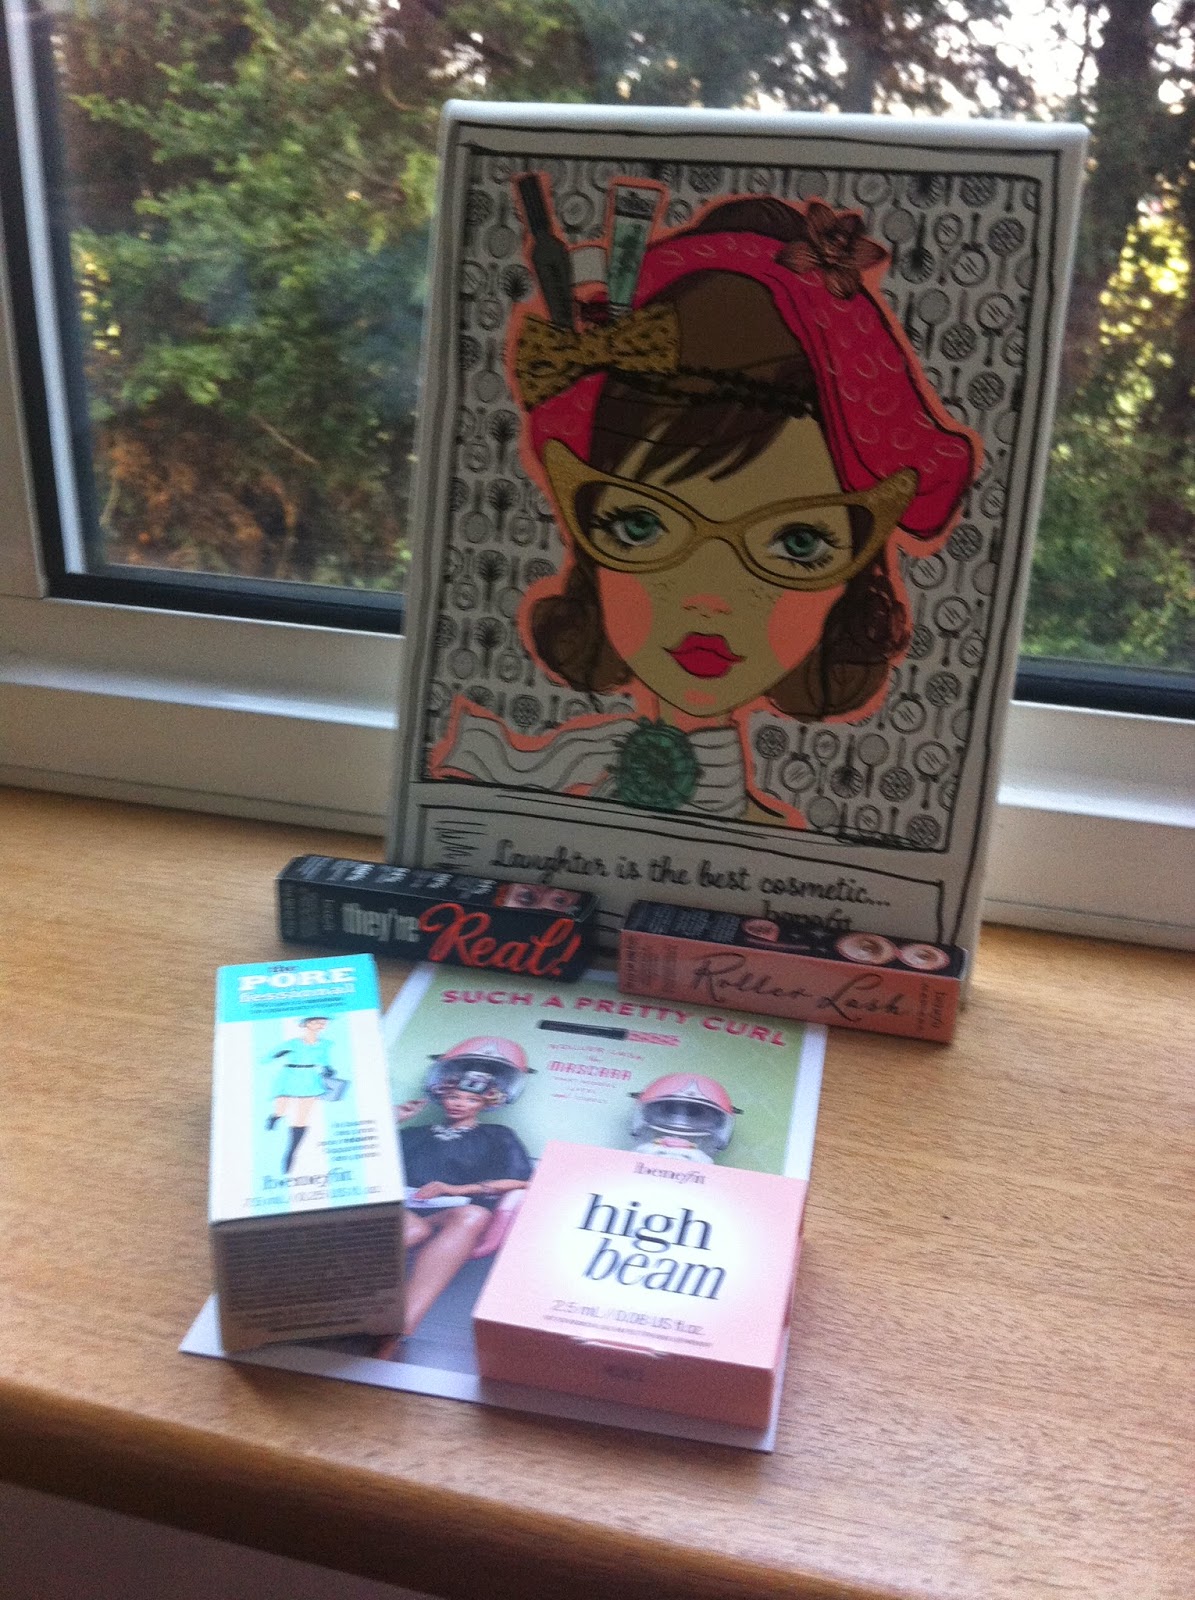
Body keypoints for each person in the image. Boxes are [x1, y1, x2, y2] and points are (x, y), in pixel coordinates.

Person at [432, 189, 980, 825]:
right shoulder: (529, 789)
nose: (710, 598)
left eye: (797, 542)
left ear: (855, 571)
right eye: (641, 525)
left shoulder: (821, 847)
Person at [394, 1037, 534, 1339]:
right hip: (400, 1207)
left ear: (486, 1103)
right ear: (442, 1097)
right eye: (454, 1097)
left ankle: (403, 1325)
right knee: (415, 1229)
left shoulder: (498, 1135)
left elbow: (522, 1180)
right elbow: (366, 1163)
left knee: (474, 1216)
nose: (459, 1104)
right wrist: (394, 1118)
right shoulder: (414, 1133)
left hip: (450, 1209)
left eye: (471, 1100)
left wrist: (453, 1190)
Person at [265, 1015, 334, 1175]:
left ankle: (291, 1152)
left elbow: (325, 1061)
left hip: (309, 1079)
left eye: (323, 1022)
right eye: (316, 1021)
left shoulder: (324, 1045)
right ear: (306, 1024)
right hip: (289, 1076)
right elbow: (267, 1057)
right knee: (281, 1110)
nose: (321, 1024)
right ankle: (275, 1117)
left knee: (301, 1118)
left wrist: (328, 1069)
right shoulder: (293, 1043)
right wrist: (276, 1054)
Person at [629, 1073, 741, 1163]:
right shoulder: (644, 1151)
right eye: (671, 1106)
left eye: (694, 1110)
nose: (682, 1118)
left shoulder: (701, 1159)